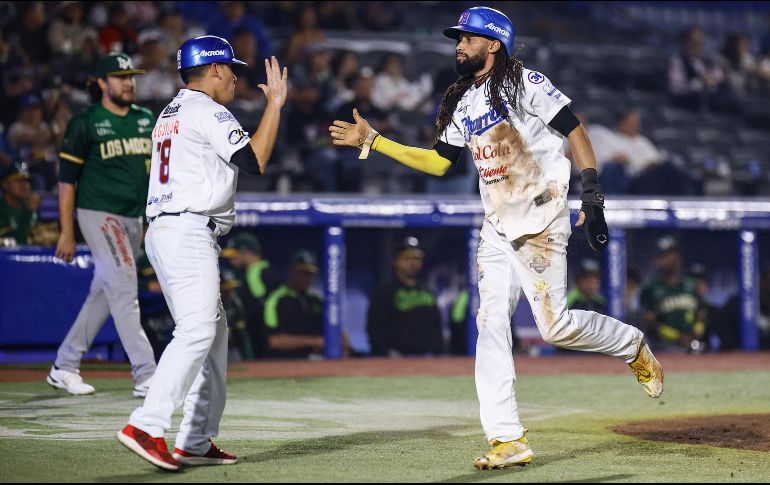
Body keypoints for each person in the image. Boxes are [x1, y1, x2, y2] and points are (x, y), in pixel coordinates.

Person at [329, 6, 663, 470]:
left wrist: (591, 189)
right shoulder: (462, 102)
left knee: (554, 328)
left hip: (542, 222)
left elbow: (574, 127)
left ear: (494, 44)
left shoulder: (524, 83)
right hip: (497, 229)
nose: (458, 45)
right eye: (458, 38)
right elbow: (439, 161)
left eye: (467, 38)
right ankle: (507, 438)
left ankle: (630, 345)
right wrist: (376, 141)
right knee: (490, 323)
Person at [116, 35, 287, 471]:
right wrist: (275, 107)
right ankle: (146, 425)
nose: (234, 76)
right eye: (231, 68)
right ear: (213, 70)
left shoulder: (170, 112)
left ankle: (194, 439)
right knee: (196, 331)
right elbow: (254, 160)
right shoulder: (207, 109)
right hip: (187, 227)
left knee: (212, 337)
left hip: (170, 226)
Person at [48, 53, 157, 398]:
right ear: (101, 83)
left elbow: (154, 175)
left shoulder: (145, 118)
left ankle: (64, 365)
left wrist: (152, 218)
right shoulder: (86, 122)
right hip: (98, 213)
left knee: (105, 294)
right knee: (125, 285)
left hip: (134, 217)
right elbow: (66, 182)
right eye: (120, 76)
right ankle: (147, 374)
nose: (129, 82)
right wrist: (66, 231)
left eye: (132, 76)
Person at [367, 236, 443, 357]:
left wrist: (437, 351)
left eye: (417, 258)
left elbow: (436, 326)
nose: (413, 262)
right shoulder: (384, 291)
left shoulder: (427, 291)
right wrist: (383, 354)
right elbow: (375, 328)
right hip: (395, 356)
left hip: (426, 356)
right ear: (396, 262)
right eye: (407, 258)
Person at [221, 232, 283, 358]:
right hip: (252, 337)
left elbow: (260, 305)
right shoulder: (242, 274)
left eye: (235, 255)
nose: (231, 260)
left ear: (246, 252)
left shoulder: (258, 273)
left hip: (264, 336)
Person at [639, 236, 706, 353]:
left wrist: (696, 333)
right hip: (663, 347)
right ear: (658, 260)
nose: (673, 258)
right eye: (666, 255)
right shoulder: (651, 289)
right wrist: (677, 336)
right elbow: (651, 323)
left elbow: (701, 314)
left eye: (674, 253)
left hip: (692, 343)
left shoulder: (690, 284)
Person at [263, 249, 326, 359]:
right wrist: (314, 342)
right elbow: (274, 341)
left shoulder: (317, 300)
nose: (306, 277)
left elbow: (338, 333)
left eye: (309, 274)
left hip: (318, 359)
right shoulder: (277, 299)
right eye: (302, 272)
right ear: (292, 271)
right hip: (286, 361)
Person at [0, 162, 39, 245]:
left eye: (26, 181)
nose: (24, 185)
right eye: (18, 181)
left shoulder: (31, 206)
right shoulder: (1, 210)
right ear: (5, 184)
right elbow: (18, 242)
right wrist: (30, 213)